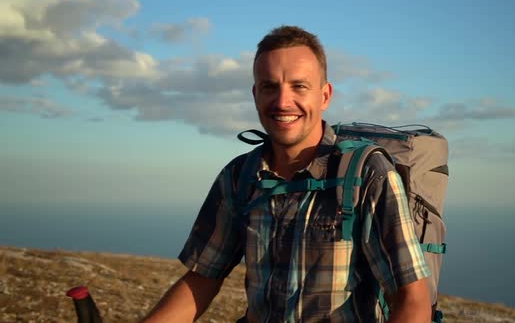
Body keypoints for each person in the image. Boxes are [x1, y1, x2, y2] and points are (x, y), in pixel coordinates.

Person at [143, 25, 432, 323]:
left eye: (299, 86)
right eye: (270, 87)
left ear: (325, 96)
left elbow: (412, 300)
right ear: (256, 94)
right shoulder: (240, 176)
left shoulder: (366, 174)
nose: (282, 102)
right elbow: (202, 278)